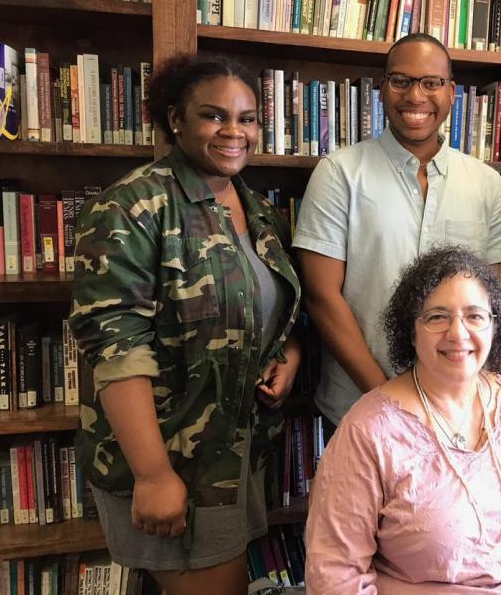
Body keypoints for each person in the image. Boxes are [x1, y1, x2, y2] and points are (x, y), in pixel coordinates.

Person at [69, 54, 301, 595]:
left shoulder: (258, 210)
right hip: (170, 463)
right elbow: (115, 350)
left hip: (236, 457)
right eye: (214, 116)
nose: (234, 132)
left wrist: (289, 355)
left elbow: (273, 310)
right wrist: (153, 474)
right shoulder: (130, 208)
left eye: (247, 118)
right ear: (175, 119)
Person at [305, 245, 501, 593]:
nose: (458, 334)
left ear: (496, 326)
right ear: (410, 330)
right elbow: (335, 572)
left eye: (475, 316)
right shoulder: (368, 431)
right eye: (437, 316)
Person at [293, 33, 501, 431]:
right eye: (401, 81)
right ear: (382, 90)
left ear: (451, 93)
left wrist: (475, 396)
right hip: (360, 406)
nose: (416, 96)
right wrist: (386, 397)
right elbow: (321, 296)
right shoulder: (339, 173)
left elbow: (494, 305)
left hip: (458, 411)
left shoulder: (486, 184)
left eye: (431, 83)